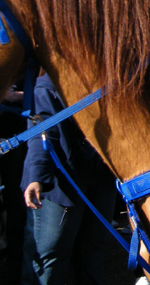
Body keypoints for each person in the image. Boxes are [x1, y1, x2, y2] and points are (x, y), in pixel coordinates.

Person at [21, 72, 116, 285]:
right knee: (51, 254)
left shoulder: (107, 81)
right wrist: (36, 176)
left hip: (100, 181)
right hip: (60, 186)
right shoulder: (48, 87)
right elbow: (43, 133)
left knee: (93, 250)